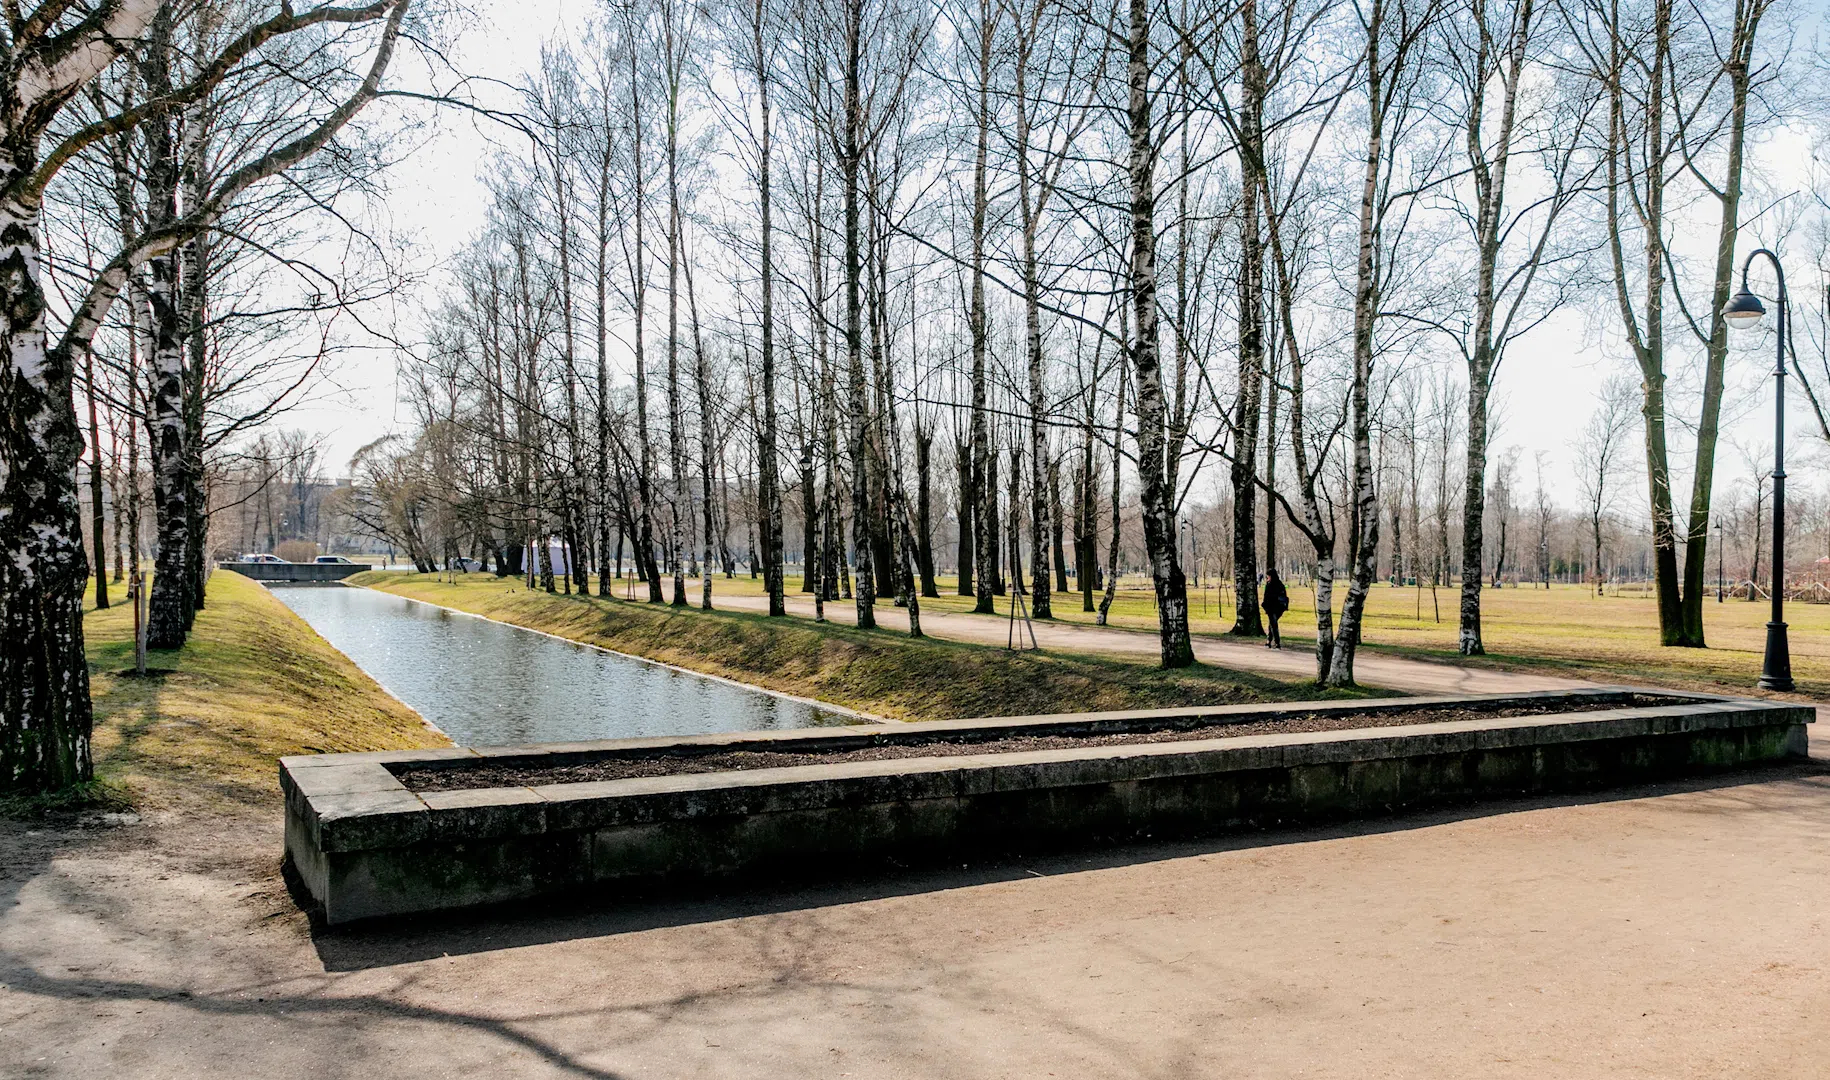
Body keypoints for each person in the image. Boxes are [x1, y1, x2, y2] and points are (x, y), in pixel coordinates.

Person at [1262, 569, 1288, 649]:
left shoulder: (1269, 585)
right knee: (1272, 624)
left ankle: (1277, 643)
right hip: (1280, 608)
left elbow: (1266, 597)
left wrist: (1264, 605)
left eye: (1268, 576)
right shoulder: (1280, 584)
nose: (1267, 578)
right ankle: (1268, 641)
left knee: (1273, 625)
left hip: (1272, 607)